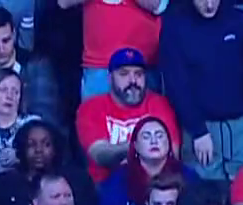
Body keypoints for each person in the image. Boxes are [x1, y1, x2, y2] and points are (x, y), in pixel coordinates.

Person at [157, 0, 243, 182]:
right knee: (203, 193)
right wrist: (198, 131)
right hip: (201, 129)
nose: (209, 5)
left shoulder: (241, 21)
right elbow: (176, 85)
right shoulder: (174, 27)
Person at [77, 48, 181, 186]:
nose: (133, 81)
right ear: (110, 79)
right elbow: (99, 155)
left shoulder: (159, 103)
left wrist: (132, 150)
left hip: (154, 183)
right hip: (106, 184)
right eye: (124, 74)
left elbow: (172, 152)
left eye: (138, 74)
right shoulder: (92, 107)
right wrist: (140, 147)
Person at [96, 117, 197, 205]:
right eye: (146, 137)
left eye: (159, 136)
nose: (154, 141)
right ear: (135, 145)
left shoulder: (188, 176)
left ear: (169, 143)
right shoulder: (118, 180)